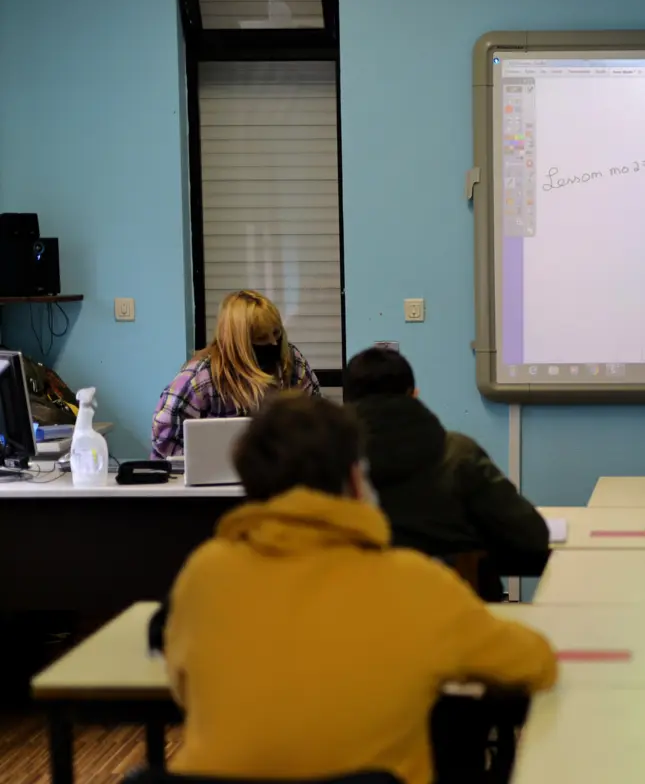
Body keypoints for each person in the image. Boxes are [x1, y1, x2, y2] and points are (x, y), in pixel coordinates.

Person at [162, 392, 558, 784]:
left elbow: (184, 688)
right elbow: (535, 662)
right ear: (355, 479)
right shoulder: (414, 582)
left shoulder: (204, 574)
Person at [342, 346, 549, 600]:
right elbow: (531, 538)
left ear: (347, 401)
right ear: (414, 395)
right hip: (460, 616)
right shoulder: (458, 454)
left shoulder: (323, 464)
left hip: (351, 622)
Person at [150, 289, 319, 458]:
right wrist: (200, 463)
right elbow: (163, 432)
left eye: (276, 333)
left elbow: (316, 415)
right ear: (239, 343)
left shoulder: (290, 361)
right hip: (203, 475)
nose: (273, 343)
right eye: (261, 338)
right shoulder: (202, 376)